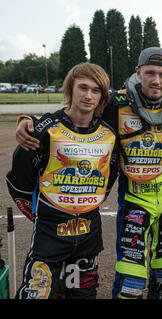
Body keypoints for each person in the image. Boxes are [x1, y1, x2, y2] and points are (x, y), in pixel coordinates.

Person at [15, 47, 162, 299]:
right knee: (130, 280)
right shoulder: (116, 103)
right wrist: (29, 120)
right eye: (150, 73)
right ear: (138, 72)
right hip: (133, 200)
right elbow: (74, 113)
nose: (156, 80)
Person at [6, 62, 118, 299]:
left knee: (83, 295)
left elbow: (109, 179)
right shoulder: (43, 129)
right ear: (71, 89)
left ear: (102, 96)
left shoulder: (109, 134)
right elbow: (18, 182)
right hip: (50, 231)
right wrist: (41, 215)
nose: (88, 96)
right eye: (83, 88)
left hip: (89, 232)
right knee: (36, 293)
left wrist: (84, 202)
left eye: (96, 90)